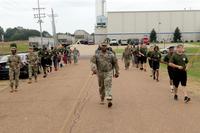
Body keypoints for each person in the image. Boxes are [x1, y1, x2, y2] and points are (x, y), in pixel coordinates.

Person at [91, 43, 119, 108]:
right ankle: (102, 97)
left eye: (105, 46)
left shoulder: (111, 54)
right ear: (100, 47)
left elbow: (115, 63)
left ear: (107, 47)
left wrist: (117, 72)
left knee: (108, 84)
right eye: (102, 46)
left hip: (108, 72)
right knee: (101, 86)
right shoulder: (97, 54)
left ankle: (109, 99)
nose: (104, 47)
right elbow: (93, 62)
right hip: (100, 73)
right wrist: (94, 69)